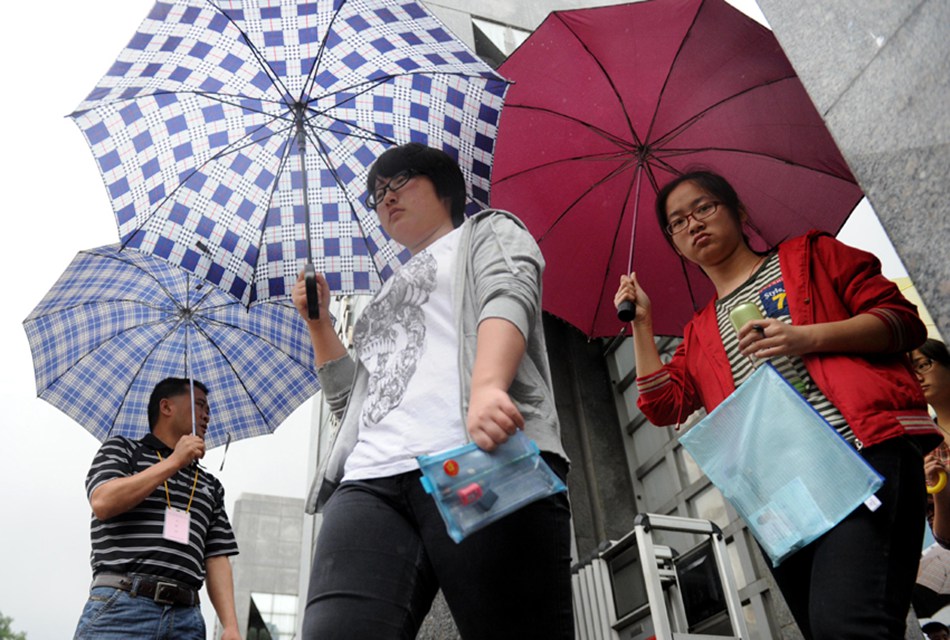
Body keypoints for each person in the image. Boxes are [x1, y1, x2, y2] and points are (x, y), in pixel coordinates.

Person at [614, 170, 939, 639]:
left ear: (739, 212)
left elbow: (901, 322)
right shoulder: (699, 331)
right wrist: (642, 325)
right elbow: (662, 404)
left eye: (704, 207)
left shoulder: (811, 256)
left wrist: (805, 337)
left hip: (860, 456)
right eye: (678, 222)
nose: (693, 224)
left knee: (849, 627)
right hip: (783, 503)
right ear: (676, 244)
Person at [292, 143, 573, 638]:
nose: (386, 199)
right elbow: (355, 403)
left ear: (443, 186)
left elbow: (509, 295)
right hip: (370, 479)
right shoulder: (381, 294)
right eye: (377, 194)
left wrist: (488, 386)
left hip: (474, 456)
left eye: (399, 182)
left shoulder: (485, 232)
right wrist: (319, 325)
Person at [73, 378, 241, 640]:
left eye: (209, 409)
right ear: (166, 407)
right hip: (121, 607)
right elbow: (103, 502)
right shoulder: (123, 450)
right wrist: (174, 461)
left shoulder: (210, 485)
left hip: (187, 618)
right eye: (199, 405)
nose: (208, 415)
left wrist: (231, 626)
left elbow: (217, 556)